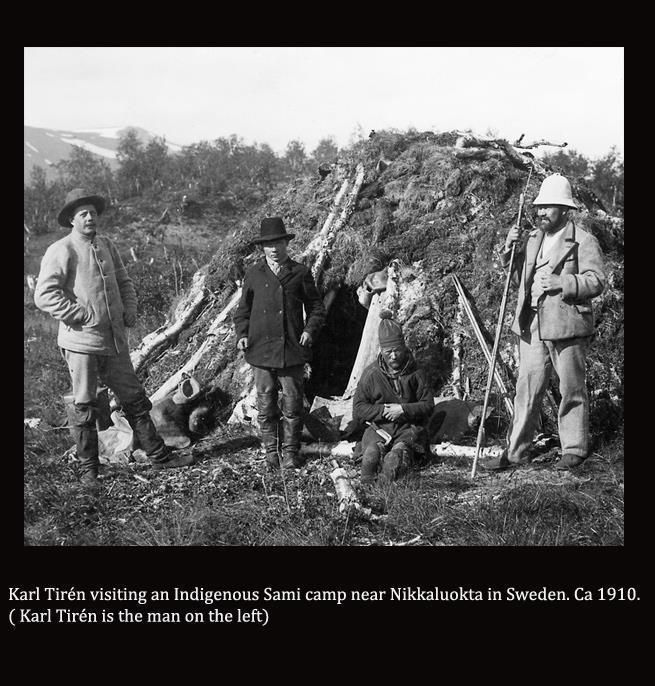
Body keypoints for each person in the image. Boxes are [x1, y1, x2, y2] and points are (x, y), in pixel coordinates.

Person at [34, 188, 194, 488]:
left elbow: (124, 281)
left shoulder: (106, 245)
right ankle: (89, 472)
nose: (90, 217)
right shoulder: (62, 249)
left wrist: (130, 309)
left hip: (115, 342)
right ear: (71, 219)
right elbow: (44, 295)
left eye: (93, 212)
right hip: (81, 343)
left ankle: (159, 457)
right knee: (85, 405)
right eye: (83, 213)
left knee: (134, 399)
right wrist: (80, 315)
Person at [481, 174, 605, 472]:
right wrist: (510, 251)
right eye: (539, 206)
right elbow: (520, 279)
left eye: (549, 207)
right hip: (532, 324)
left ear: (565, 210)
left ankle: (574, 449)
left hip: (567, 325)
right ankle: (516, 452)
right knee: (527, 388)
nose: (541, 212)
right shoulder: (533, 239)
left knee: (571, 388)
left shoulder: (583, 241)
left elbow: (597, 281)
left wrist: (563, 282)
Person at [234, 217, 326, 469]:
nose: (274, 248)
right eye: (269, 244)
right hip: (261, 349)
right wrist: (242, 334)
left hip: (291, 349)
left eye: (278, 243)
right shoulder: (254, 274)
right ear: (262, 247)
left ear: (286, 243)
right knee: (265, 403)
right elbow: (243, 310)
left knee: (293, 403)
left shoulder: (300, 273)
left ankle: (290, 453)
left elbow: (317, 308)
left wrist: (309, 330)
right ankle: (270, 454)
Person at [352, 310, 434, 485]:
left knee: (395, 460)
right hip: (379, 429)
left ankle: (386, 491)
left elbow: (428, 405)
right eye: (389, 352)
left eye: (397, 350)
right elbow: (358, 410)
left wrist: (403, 410)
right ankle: (366, 491)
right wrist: (383, 411)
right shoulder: (371, 374)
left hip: (408, 428)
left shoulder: (416, 372)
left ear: (404, 347)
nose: (394, 356)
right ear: (381, 350)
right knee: (370, 457)